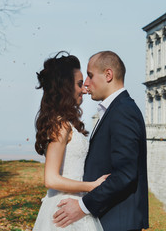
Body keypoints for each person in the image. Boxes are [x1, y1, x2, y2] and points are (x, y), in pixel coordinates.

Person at [53, 51, 149, 231]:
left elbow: (125, 174)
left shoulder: (123, 111)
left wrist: (82, 206)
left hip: (118, 222)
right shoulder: (116, 109)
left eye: (90, 75)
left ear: (108, 75)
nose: (86, 84)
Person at [33, 51, 107, 231]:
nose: (84, 89)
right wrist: (91, 186)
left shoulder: (66, 123)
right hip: (64, 210)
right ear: (66, 87)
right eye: (80, 84)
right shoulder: (61, 125)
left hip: (75, 204)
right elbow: (50, 179)